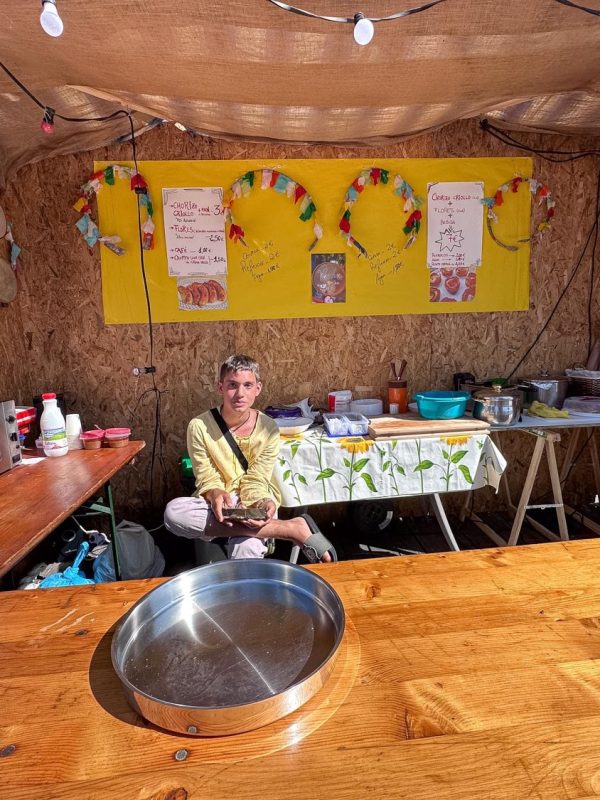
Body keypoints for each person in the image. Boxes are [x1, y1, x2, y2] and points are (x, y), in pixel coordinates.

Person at [164, 354, 336, 562]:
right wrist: (215, 493)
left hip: (255, 499)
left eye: (247, 385)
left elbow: (258, 477)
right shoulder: (199, 426)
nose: (240, 393)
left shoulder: (269, 428)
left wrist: (259, 502)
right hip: (218, 507)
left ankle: (243, 589)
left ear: (258, 388)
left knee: (246, 548)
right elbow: (206, 477)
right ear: (220, 387)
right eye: (232, 385)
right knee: (173, 513)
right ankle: (289, 529)